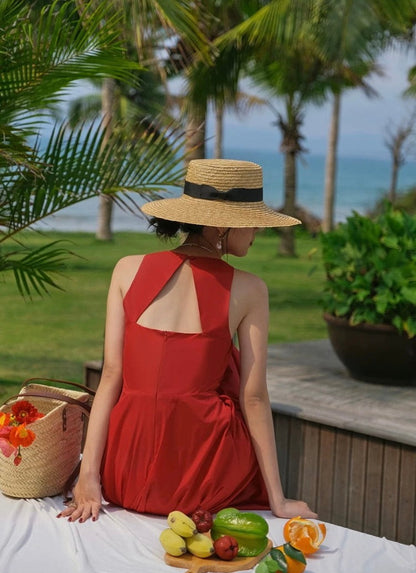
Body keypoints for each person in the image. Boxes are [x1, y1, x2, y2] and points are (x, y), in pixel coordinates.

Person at [58, 158, 317, 523]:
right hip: (203, 482)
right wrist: (279, 500)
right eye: (251, 219)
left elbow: (111, 377)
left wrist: (90, 477)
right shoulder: (250, 289)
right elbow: (254, 397)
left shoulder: (126, 269)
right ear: (223, 226)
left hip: (123, 475)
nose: (258, 228)